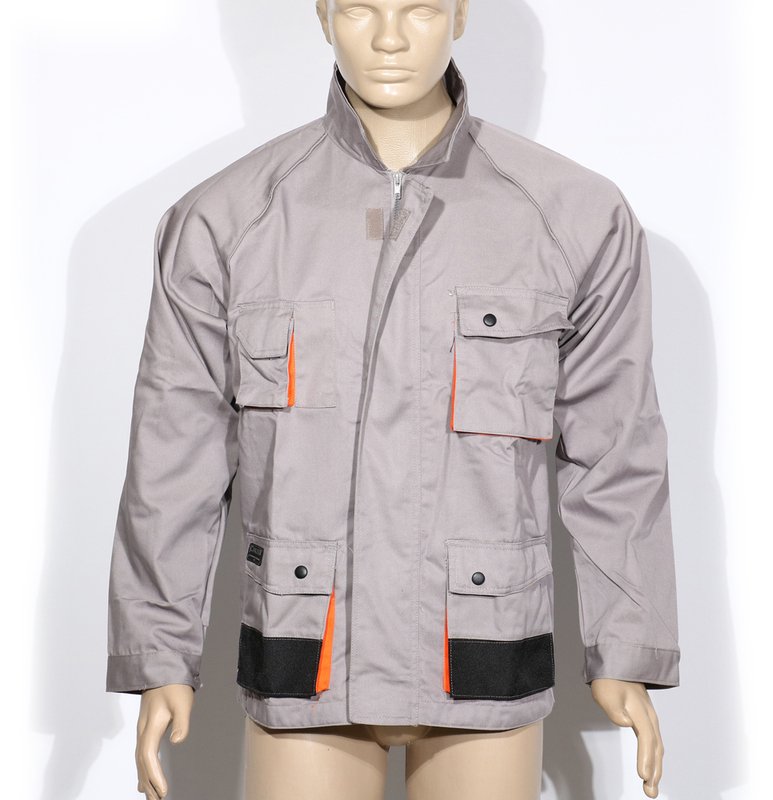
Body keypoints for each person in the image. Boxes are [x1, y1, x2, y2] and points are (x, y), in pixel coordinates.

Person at [105, 1, 681, 798]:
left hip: (483, 648)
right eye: (359, 8)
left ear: (461, 14)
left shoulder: (573, 215)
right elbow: (172, 460)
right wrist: (158, 654)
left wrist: (628, 647)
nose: (387, 37)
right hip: (303, 650)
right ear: (322, 15)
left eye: (419, 8)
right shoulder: (225, 219)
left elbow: (617, 454)